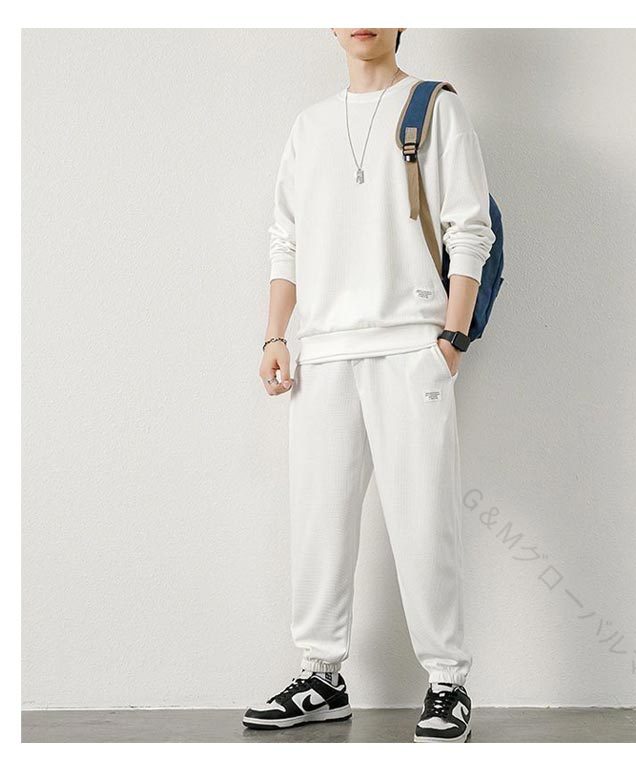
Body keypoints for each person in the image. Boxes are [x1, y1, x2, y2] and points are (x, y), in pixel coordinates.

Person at [243, 28, 494, 743]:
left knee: (424, 520)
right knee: (317, 520)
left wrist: (451, 339)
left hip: (410, 346)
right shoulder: (310, 126)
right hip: (322, 353)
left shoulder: (436, 106)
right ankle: (320, 675)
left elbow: (469, 229)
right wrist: (275, 335)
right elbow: (286, 238)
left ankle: (447, 682)